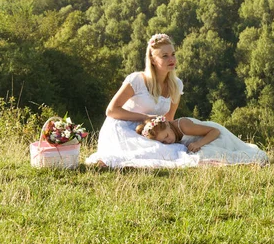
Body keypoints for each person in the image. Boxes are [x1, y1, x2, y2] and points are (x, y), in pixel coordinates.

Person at [85, 33, 199, 169]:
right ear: (152, 59)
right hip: (123, 127)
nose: (171, 59)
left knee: (174, 150)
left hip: (152, 132)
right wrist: (145, 118)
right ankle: (109, 161)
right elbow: (111, 111)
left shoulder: (176, 85)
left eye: (173, 54)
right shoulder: (137, 80)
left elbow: (168, 118)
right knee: (159, 152)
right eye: (165, 56)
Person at [136, 116, 268, 166]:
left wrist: (199, 144)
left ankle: (252, 158)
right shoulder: (171, 136)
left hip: (214, 136)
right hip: (205, 139)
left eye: (166, 136)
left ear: (168, 125)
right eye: (163, 142)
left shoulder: (183, 126)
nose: (168, 141)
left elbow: (214, 132)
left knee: (203, 154)